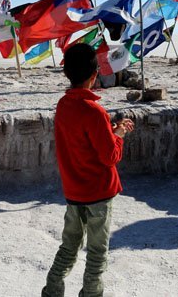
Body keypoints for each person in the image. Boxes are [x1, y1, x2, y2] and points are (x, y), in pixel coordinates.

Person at [42, 43, 135, 297]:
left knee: (69, 246)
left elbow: (81, 140)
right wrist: (119, 133)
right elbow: (109, 156)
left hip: (74, 191)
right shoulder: (94, 111)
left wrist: (110, 129)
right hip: (98, 193)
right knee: (97, 252)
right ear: (94, 75)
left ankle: (52, 290)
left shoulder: (64, 105)